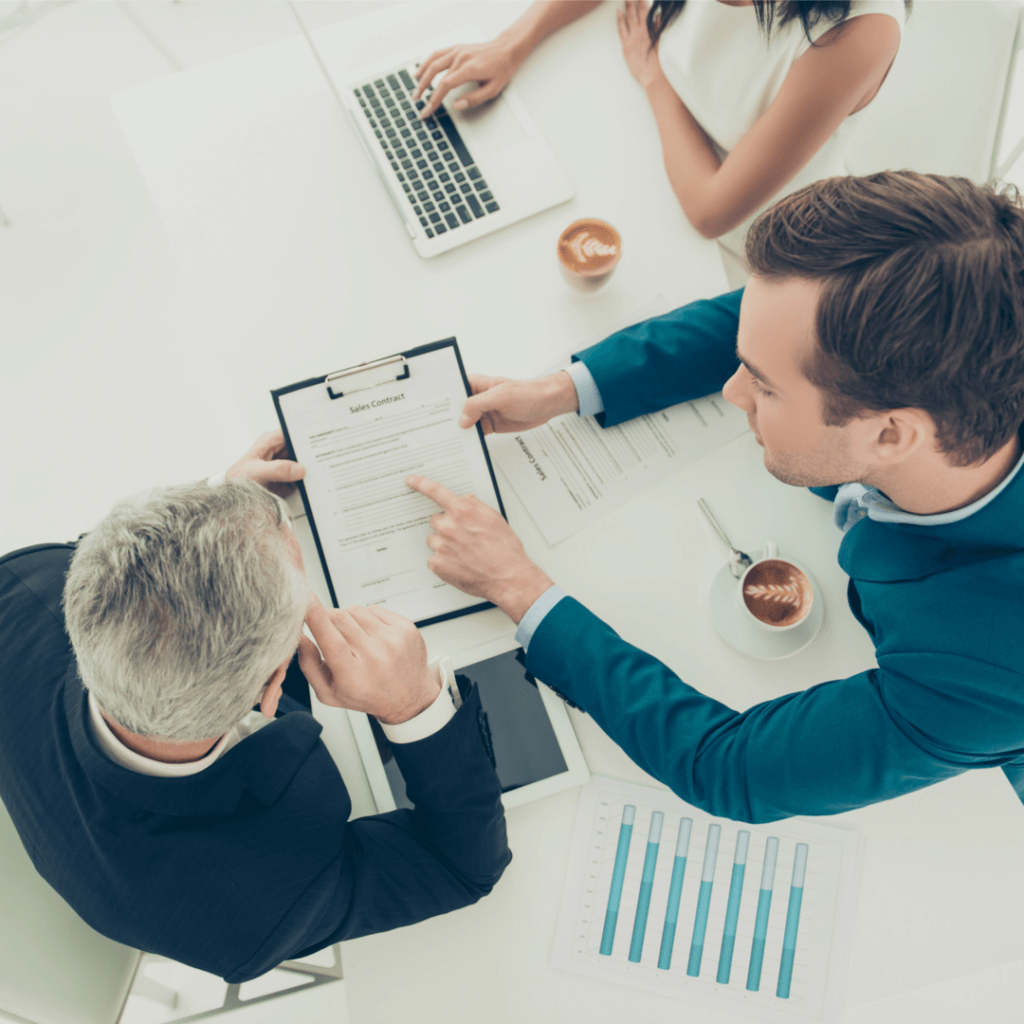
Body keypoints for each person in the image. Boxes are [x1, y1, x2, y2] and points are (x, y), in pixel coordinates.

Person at [406, 170, 1024, 824]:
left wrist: (516, 585)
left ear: (892, 434)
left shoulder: (988, 672)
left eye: (764, 388)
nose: (733, 392)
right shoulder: (978, 291)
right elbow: (776, 323)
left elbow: (729, 768)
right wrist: (566, 389)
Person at [0, 431, 510, 983]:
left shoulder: (20, 586)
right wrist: (413, 704)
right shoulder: (251, 917)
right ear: (273, 686)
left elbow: (136, 584)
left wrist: (217, 526)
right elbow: (460, 868)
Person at [412, 0, 906, 258]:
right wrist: (512, 43)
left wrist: (653, 73)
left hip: (742, 242)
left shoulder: (859, 32)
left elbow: (712, 213)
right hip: (643, 142)